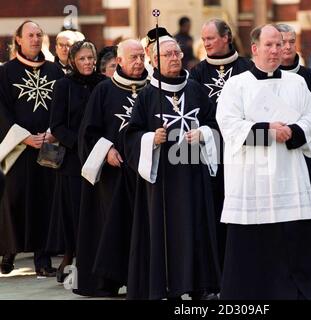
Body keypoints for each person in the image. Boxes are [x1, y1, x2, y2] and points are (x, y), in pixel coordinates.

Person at [216, 24, 311, 300]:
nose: (276, 50)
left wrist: (295, 132)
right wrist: (266, 131)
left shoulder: (296, 83)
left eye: (280, 44)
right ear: (254, 49)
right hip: (252, 179)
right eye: (269, 45)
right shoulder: (237, 85)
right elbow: (227, 125)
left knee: (293, 240)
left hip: (289, 173)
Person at [124, 31, 220, 300]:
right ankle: (169, 288)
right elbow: (130, 134)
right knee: (166, 232)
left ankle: (200, 286)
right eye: (168, 54)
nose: (175, 58)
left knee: (198, 227)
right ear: (154, 61)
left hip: (194, 172)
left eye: (177, 53)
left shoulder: (195, 89)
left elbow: (216, 125)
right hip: (163, 177)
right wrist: (150, 138)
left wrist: (204, 134)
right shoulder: (145, 96)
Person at [75, 39, 147, 297]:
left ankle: (142, 279)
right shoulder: (104, 90)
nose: (139, 62)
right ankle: (108, 282)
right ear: (120, 61)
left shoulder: (152, 88)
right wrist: (107, 151)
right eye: (133, 58)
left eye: (142, 57)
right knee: (113, 228)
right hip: (113, 176)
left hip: (144, 174)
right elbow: (88, 131)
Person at [0, 20, 64, 277]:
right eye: (30, 35)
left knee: (45, 203)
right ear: (18, 40)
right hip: (18, 148)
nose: (36, 39)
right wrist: (23, 138)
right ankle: (8, 252)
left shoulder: (54, 71)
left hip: (47, 146)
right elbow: (1, 110)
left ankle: (43, 259)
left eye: (39, 35)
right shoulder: (5, 73)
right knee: (13, 201)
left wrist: (53, 133)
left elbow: (63, 105)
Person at [189, 18, 252, 271]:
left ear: (226, 37)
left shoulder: (247, 68)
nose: (206, 44)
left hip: (244, 150)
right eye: (204, 40)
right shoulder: (196, 73)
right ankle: (216, 270)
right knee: (213, 210)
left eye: (211, 38)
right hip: (210, 155)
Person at [275, 23, 311, 290]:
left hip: (309, 155)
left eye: (290, 41)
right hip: (276, 157)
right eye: (281, 42)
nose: (286, 47)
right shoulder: (262, 77)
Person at [45, 41, 106, 283]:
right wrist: (79, 145)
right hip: (72, 160)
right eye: (82, 59)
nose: (88, 62)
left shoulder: (103, 84)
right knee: (74, 212)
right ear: (73, 61)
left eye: (91, 58)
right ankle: (71, 255)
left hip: (100, 156)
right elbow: (57, 125)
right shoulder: (63, 86)